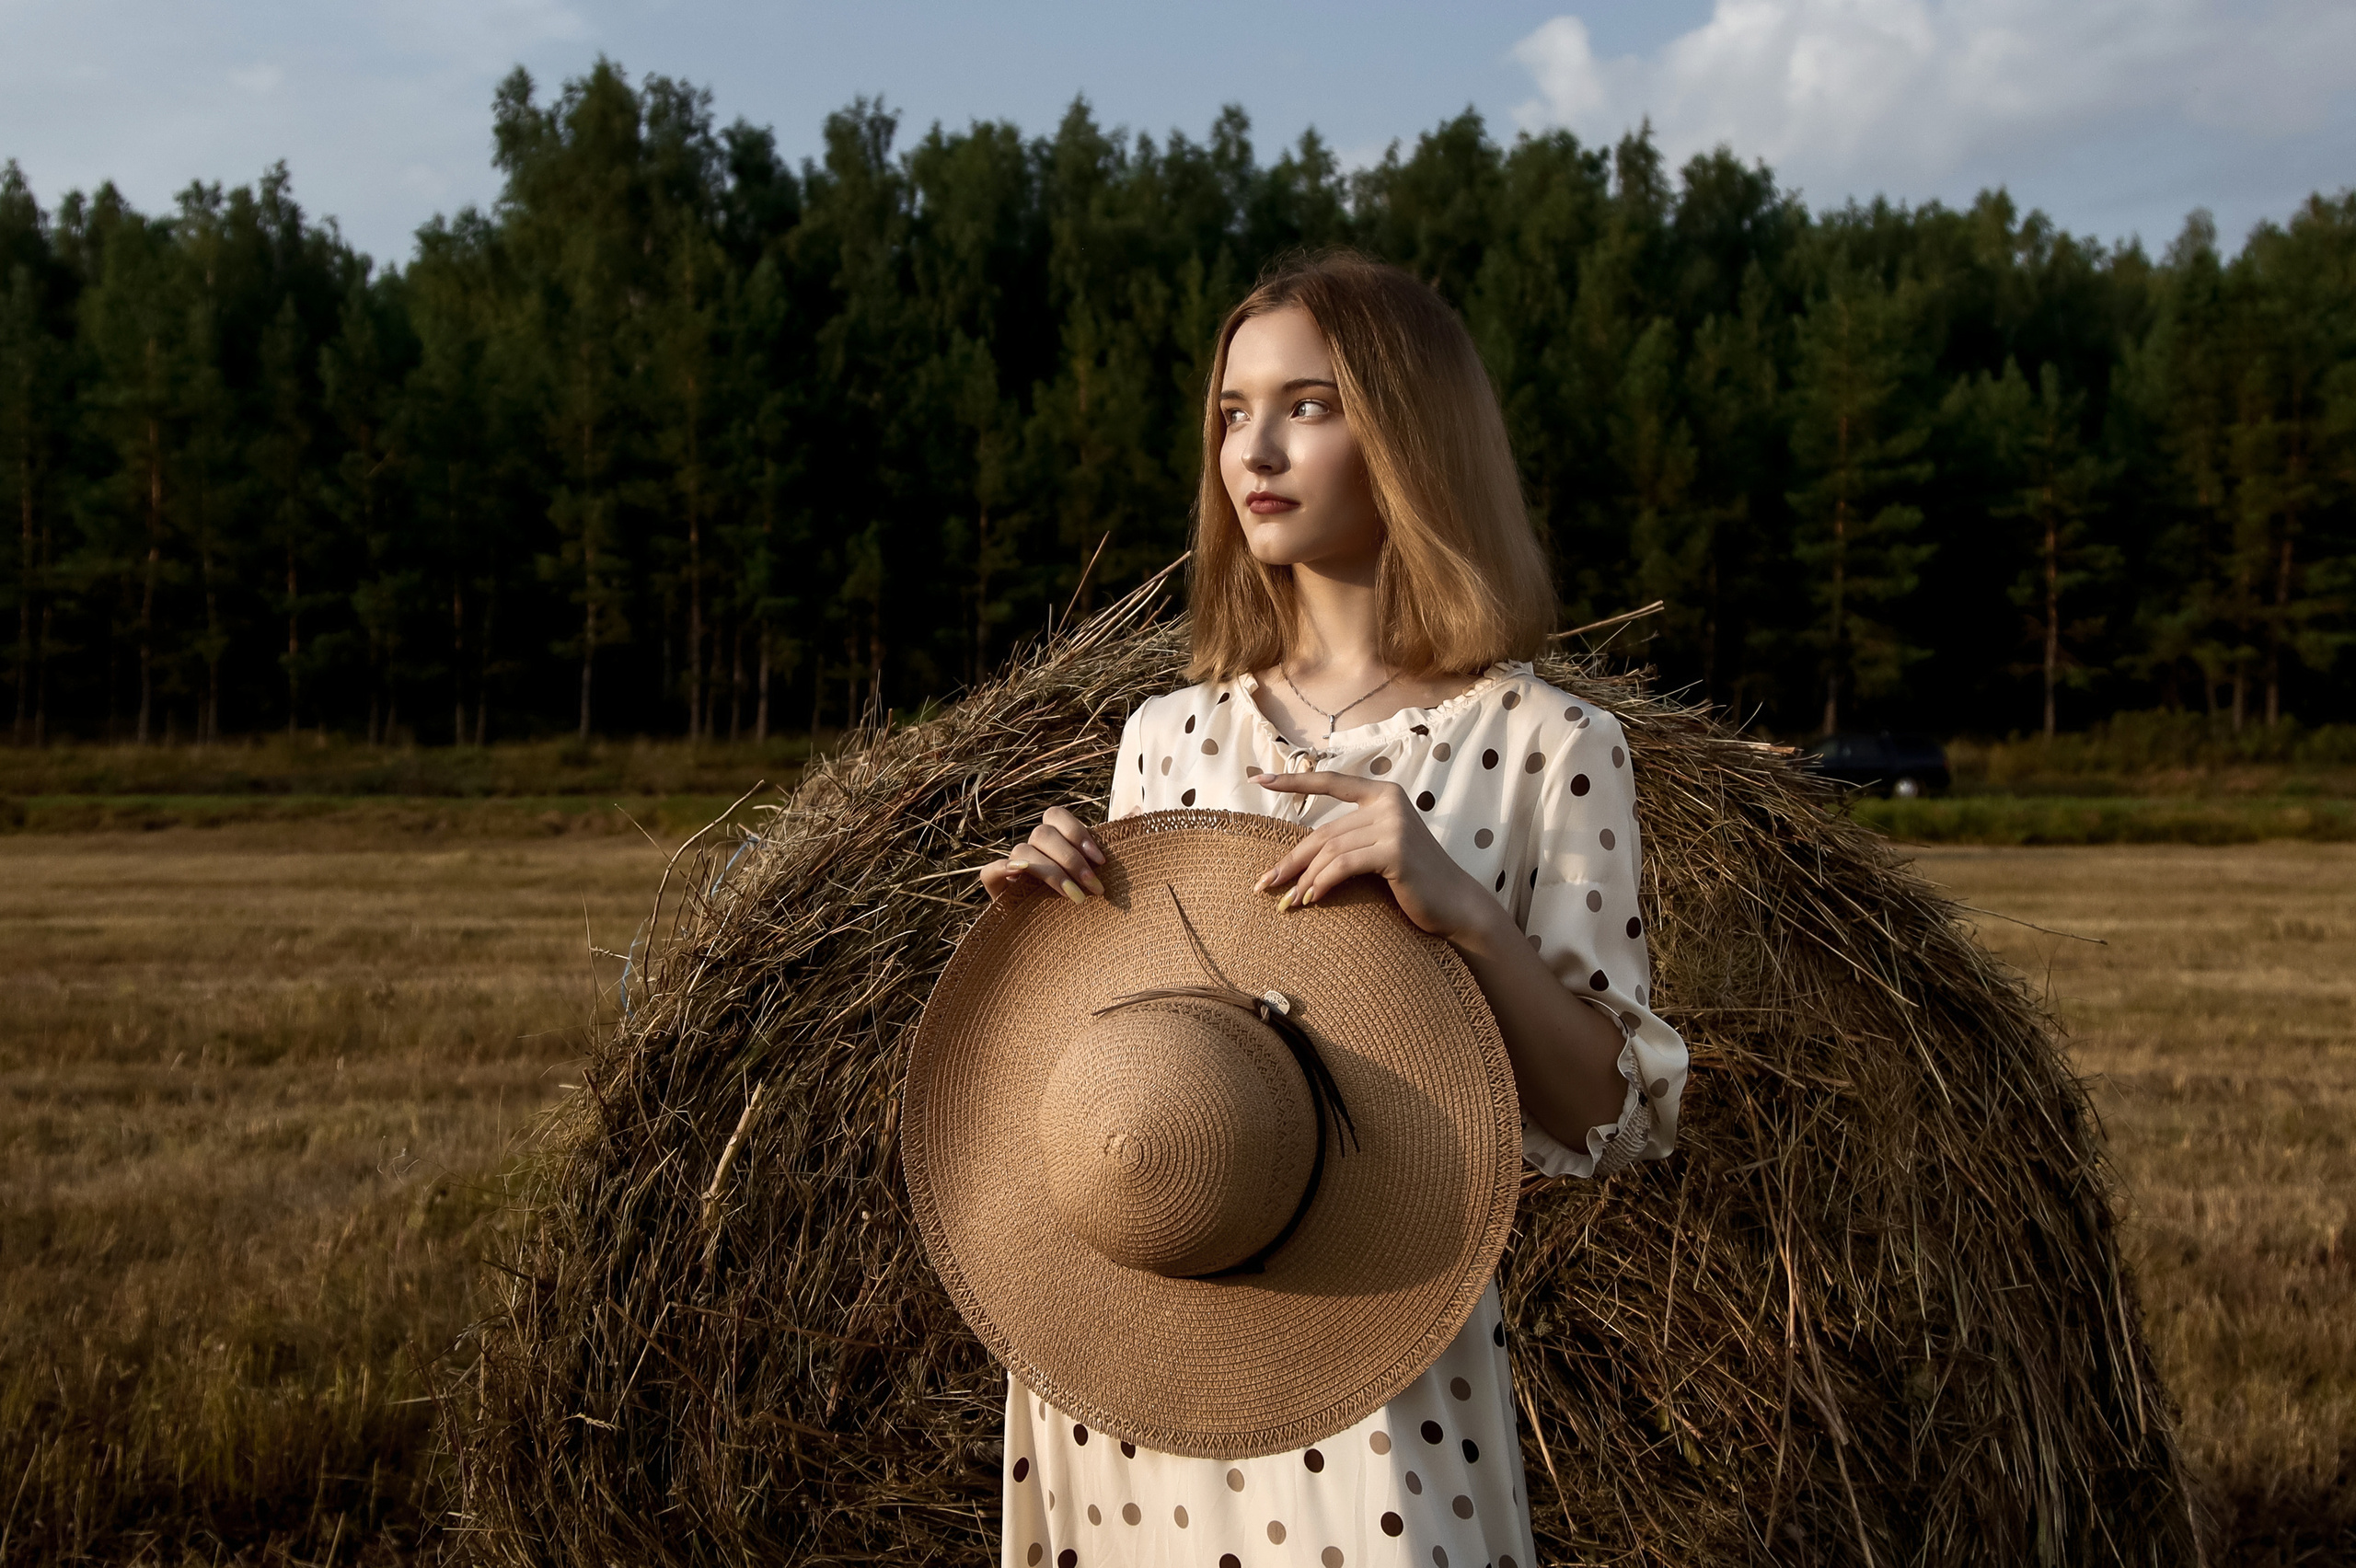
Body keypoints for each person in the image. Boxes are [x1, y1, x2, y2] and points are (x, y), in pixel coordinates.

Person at [977, 251, 1688, 1568]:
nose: (1255, 451)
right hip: (1140, 1346)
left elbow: (1611, 1115)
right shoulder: (1165, 736)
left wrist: (1465, 914)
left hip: (1382, 1364)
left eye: (1307, 406)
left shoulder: (1552, 745)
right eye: (1233, 412)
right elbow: (1125, 1078)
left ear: (1412, 434)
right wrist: (1045, 933)